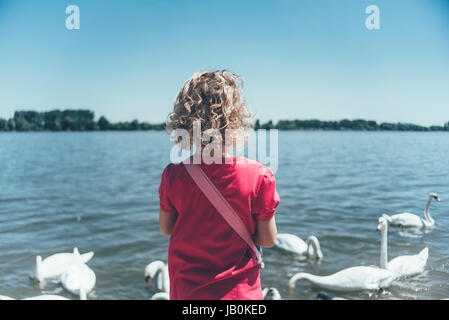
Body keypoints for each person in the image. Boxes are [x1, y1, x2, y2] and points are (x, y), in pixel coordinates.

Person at [158, 70, 280, 300]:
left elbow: (167, 228)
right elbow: (267, 240)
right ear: (236, 118)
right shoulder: (259, 176)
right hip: (240, 295)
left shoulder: (173, 175)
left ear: (183, 121)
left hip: (188, 293)